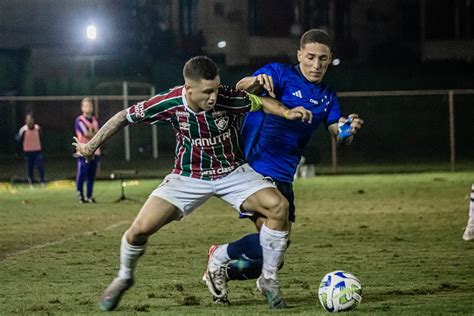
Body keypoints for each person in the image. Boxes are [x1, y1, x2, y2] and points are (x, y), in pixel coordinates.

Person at [73, 56, 313, 310]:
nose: (213, 96)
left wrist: (286, 111)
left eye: (216, 88)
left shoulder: (227, 97)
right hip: (188, 176)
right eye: (207, 91)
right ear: (188, 89)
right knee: (137, 231)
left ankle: (269, 279)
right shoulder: (170, 102)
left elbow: (260, 102)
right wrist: (91, 145)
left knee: (279, 207)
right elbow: (124, 116)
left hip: (232, 172)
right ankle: (123, 277)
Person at [202, 29, 364, 303]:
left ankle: (223, 271)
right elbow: (239, 91)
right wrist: (255, 80)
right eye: (310, 57)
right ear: (299, 54)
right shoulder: (279, 73)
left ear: (330, 59)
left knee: (274, 254)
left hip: (284, 176)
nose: (316, 64)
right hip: (254, 169)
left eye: (323, 59)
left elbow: (338, 131)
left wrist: (348, 129)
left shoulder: (326, 95)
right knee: (271, 244)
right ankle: (219, 256)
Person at [75, 97, 100, 203]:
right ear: (82, 107)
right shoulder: (79, 120)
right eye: (85, 106)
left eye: (90, 106)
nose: (88, 108)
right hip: (83, 153)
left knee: (91, 175)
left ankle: (89, 196)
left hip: (95, 152)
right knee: (82, 174)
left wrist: (95, 135)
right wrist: (95, 134)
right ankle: (80, 195)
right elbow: (87, 134)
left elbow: (99, 134)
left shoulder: (95, 120)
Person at [16, 113, 45, 188]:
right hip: (28, 152)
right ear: (26, 121)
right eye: (28, 120)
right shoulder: (23, 130)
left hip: (37, 151)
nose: (30, 121)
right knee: (30, 167)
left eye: (31, 120)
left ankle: (42, 181)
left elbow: (41, 137)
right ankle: (31, 182)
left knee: (40, 166)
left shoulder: (37, 128)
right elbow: (19, 139)